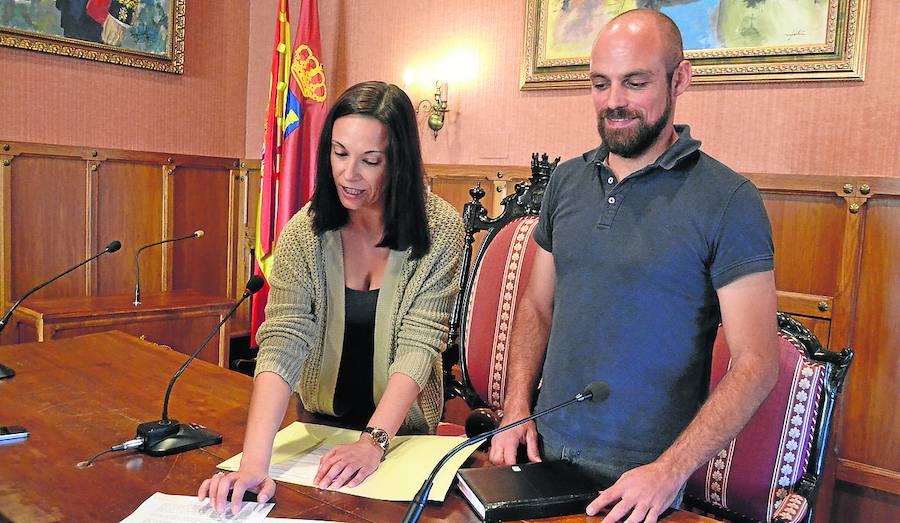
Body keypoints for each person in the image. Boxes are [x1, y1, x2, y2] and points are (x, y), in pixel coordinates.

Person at [489, 9, 779, 523]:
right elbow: (536, 304)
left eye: (635, 82)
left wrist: (669, 471)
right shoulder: (566, 181)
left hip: (644, 483)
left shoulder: (730, 199)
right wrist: (516, 409)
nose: (614, 101)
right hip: (539, 455)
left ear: (680, 79)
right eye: (600, 84)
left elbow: (757, 362)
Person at [198, 81, 464, 515]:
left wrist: (372, 442)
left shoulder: (440, 229)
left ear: (398, 163)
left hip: (402, 437)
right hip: (318, 428)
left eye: (370, 161)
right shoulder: (304, 233)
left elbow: (422, 342)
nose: (349, 174)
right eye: (339, 153)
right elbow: (284, 338)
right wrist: (253, 463)